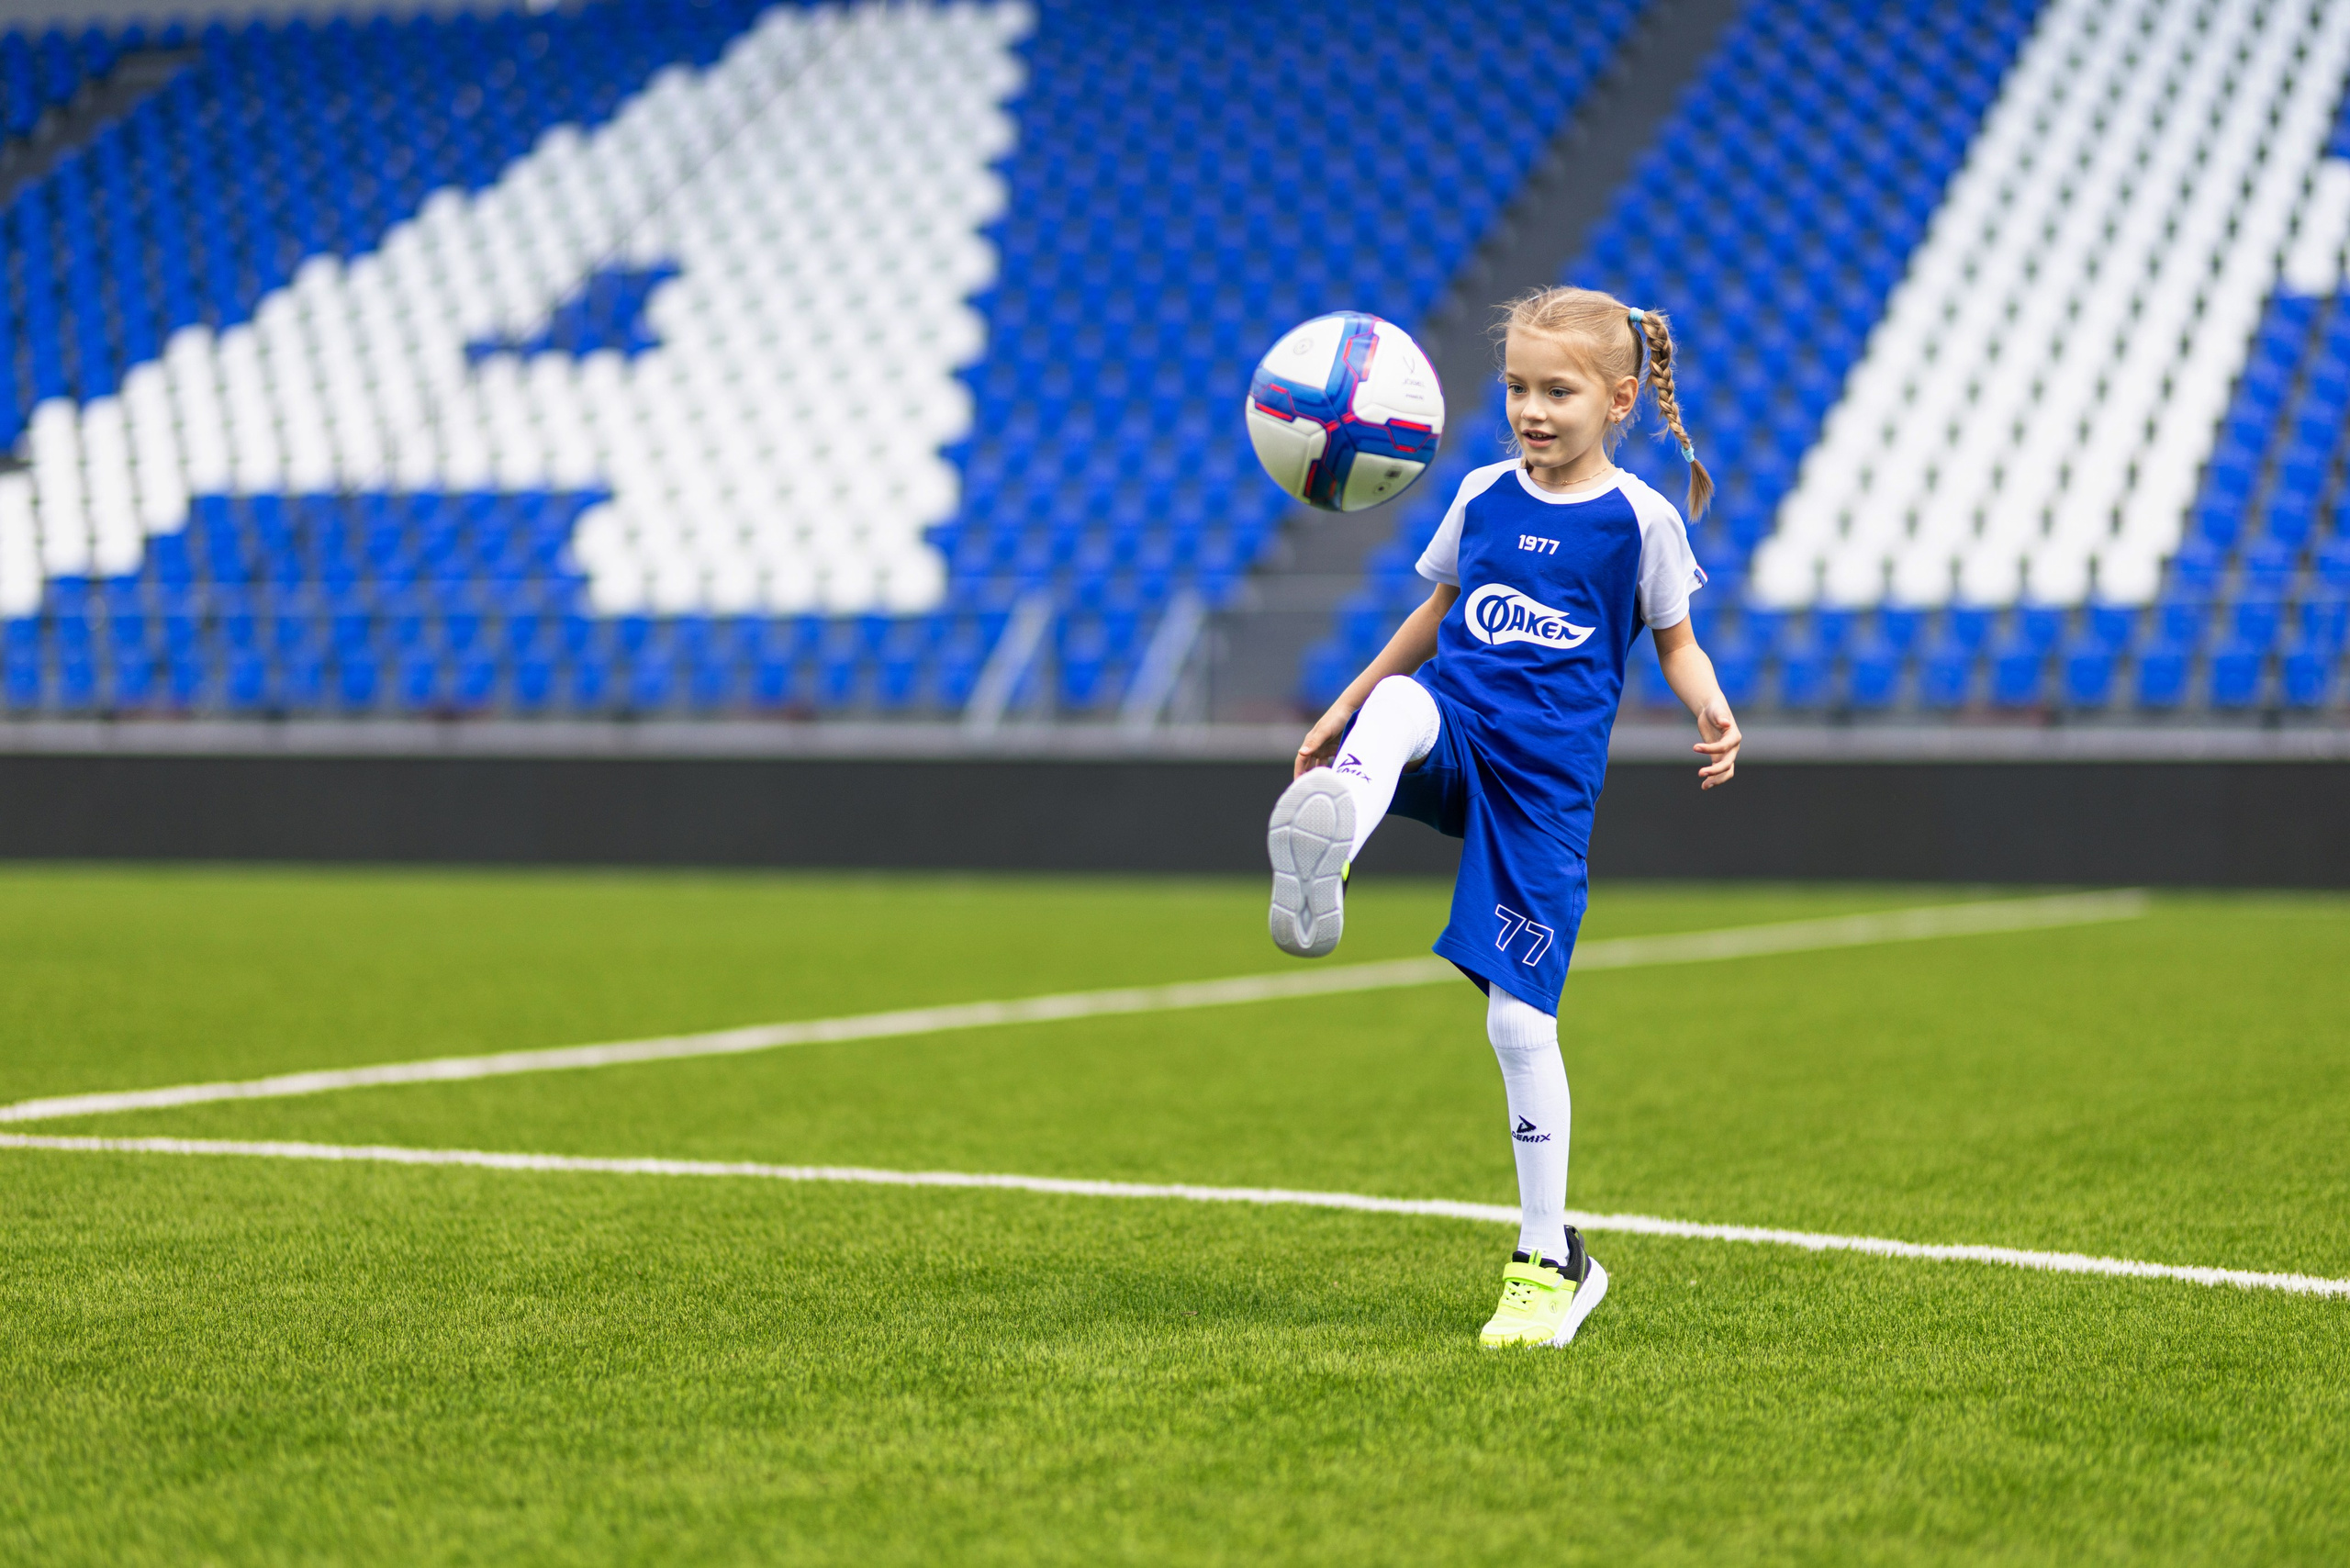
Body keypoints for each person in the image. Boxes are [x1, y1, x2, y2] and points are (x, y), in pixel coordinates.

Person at [1267, 286, 1741, 1349]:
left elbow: (1675, 643)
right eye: (1518, 387)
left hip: (1542, 794)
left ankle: (1551, 1261)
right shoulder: (1481, 492)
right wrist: (1343, 701)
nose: (1532, 408)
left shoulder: (1641, 522)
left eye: (1558, 391)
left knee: (1517, 1023)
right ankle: (1334, 823)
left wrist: (1709, 704)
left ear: (1618, 400)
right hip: (1458, 730)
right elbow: (1433, 614)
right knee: (1397, 702)